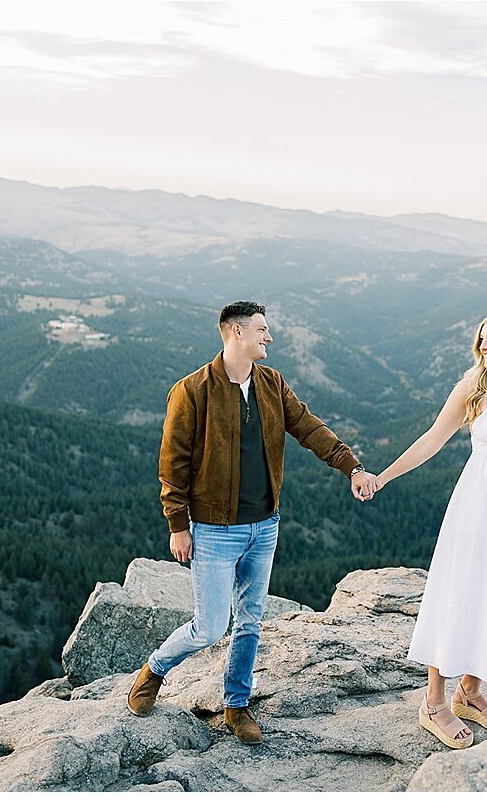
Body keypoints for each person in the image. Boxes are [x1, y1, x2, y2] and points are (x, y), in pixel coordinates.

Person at [126, 300, 378, 745]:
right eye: (262, 329)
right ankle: (154, 671)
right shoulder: (192, 391)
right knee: (209, 627)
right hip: (214, 530)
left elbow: (309, 428)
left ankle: (236, 705)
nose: (269, 337)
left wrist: (351, 466)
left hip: (264, 526)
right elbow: (172, 463)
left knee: (250, 621)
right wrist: (177, 524)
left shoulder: (271, 383)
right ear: (236, 332)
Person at [368, 309, 487, 749]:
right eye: (481, 338)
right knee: (461, 592)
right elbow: (432, 439)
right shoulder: (474, 386)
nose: (483, 345)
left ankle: (469, 691)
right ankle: (434, 701)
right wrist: (384, 477)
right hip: (478, 508)